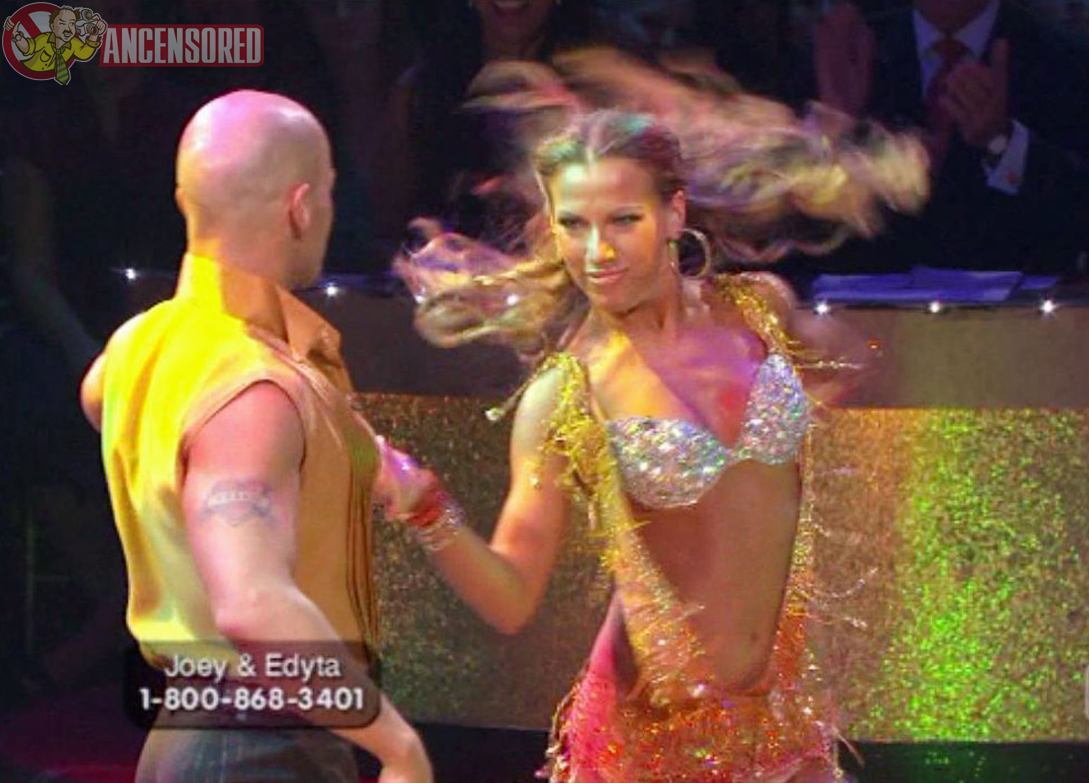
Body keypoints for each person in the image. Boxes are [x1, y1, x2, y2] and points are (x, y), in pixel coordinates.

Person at [385, 53, 927, 783]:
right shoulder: (569, 394)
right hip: (648, 750)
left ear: (674, 213)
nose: (597, 252)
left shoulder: (758, 311)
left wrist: (833, 172)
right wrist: (425, 507)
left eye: (623, 220)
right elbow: (511, 597)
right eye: (573, 225)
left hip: (785, 735)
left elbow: (851, 365)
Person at [79, 90, 432, 783]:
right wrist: (398, 745)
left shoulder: (134, 347)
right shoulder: (252, 385)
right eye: (327, 192)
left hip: (198, 724)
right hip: (258, 741)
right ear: (301, 207)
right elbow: (251, 604)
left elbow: (103, 406)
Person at [811, 0, 1089, 273]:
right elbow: (802, 244)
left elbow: (1075, 213)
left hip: (1022, 293)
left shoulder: (1063, 59)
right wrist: (837, 135)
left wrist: (1002, 142)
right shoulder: (847, 48)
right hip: (866, 295)